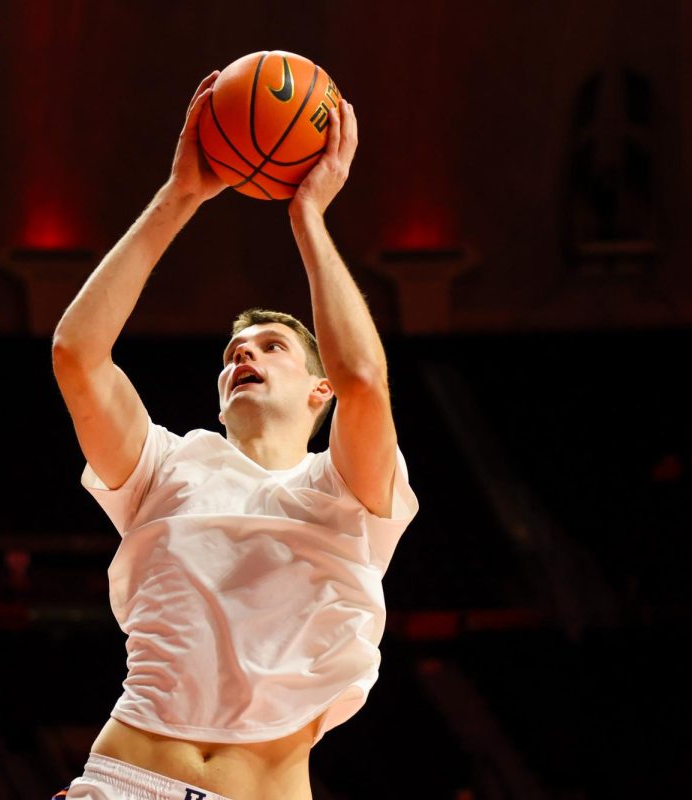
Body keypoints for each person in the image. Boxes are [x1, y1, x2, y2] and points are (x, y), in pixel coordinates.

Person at [50, 71, 418, 800]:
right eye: (232, 353)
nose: (242, 353)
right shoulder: (168, 467)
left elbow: (366, 381)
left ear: (320, 391)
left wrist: (309, 217)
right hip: (127, 783)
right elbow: (77, 355)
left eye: (271, 346)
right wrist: (181, 193)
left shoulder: (346, 489)